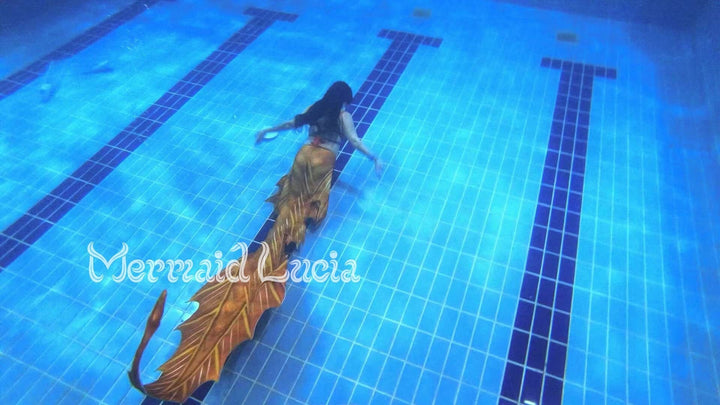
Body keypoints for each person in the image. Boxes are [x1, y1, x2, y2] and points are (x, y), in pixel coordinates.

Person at [255, 81, 383, 177]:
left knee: (292, 195)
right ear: (344, 101)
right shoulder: (344, 116)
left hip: (303, 155)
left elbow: (289, 124)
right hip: (324, 159)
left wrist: (266, 131)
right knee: (314, 200)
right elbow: (355, 141)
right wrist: (374, 158)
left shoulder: (314, 108)